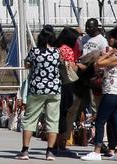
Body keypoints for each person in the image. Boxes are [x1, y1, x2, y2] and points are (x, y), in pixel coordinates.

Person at [81, 24, 117, 161]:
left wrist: (106, 54)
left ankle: (97, 150)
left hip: (112, 91)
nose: (109, 40)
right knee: (116, 119)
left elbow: (98, 64)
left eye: (111, 38)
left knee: (100, 121)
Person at [19, 27, 63, 161]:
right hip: (54, 89)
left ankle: (25, 151)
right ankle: (50, 152)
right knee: (53, 120)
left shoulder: (34, 51)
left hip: (37, 89)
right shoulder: (57, 52)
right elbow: (60, 65)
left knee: (30, 120)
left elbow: (27, 65)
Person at [53, 27, 81, 155]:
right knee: (64, 114)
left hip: (53, 84)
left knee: (53, 115)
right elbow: (72, 68)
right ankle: (62, 144)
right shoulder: (67, 50)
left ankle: (52, 143)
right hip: (66, 84)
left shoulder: (55, 48)